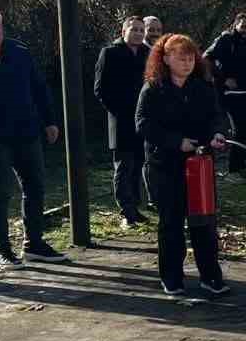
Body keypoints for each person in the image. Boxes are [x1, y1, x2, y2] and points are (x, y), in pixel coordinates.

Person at [135, 34, 231, 297]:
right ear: (165, 59)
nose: (187, 63)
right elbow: (143, 124)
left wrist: (218, 133)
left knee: (204, 223)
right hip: (165, 166)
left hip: (199, 166)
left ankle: (210, 277)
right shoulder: (153, 88)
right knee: (171, 223)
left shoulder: (202, 87)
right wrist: (176, 143)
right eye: (181, 57)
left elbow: (216, 116)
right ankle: (172, 278)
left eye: (190, 58)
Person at [0, 6, 67, 267]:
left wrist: (49, 120)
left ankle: (34, 243)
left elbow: (39, 87)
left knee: (35, 187)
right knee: (0, 192)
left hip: (27, 131)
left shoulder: (19, 51)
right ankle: (1, 248)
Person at [94, 16, 150, 228]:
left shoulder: (147, 53)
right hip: (121, 119)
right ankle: (125, 211)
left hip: (142, 120)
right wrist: (119, 112)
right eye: (134, 29)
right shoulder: (110, 53)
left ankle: (135, 208)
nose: (138, 33)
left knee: (138, 165)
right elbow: (100, 89)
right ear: (123, 31)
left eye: (141, 30)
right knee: (124, 167)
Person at [204, 10, 246, 174]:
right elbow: (206, 59)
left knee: (244, 132)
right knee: (223, 130)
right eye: (243, 26)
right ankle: (210, 166)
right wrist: (223, 79)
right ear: (235, 25)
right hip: (229, 95)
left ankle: (238, 167)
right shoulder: (225, 40)